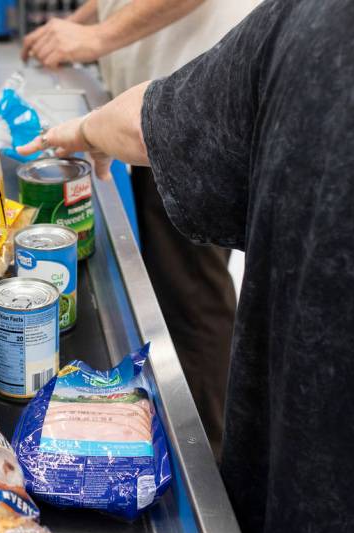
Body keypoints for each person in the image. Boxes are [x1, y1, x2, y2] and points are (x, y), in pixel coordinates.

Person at [19, 1, 354, 533]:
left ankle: (208, 455)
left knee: (198, 304)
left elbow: (149, 122)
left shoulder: (316, 17)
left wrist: (87, 118)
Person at [22, 0, 259, 457]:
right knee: (178, 286)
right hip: (157, 107)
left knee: (190, 295)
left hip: (190, 109)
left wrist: (94, 39)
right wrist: (79, 23)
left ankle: (213, 461)